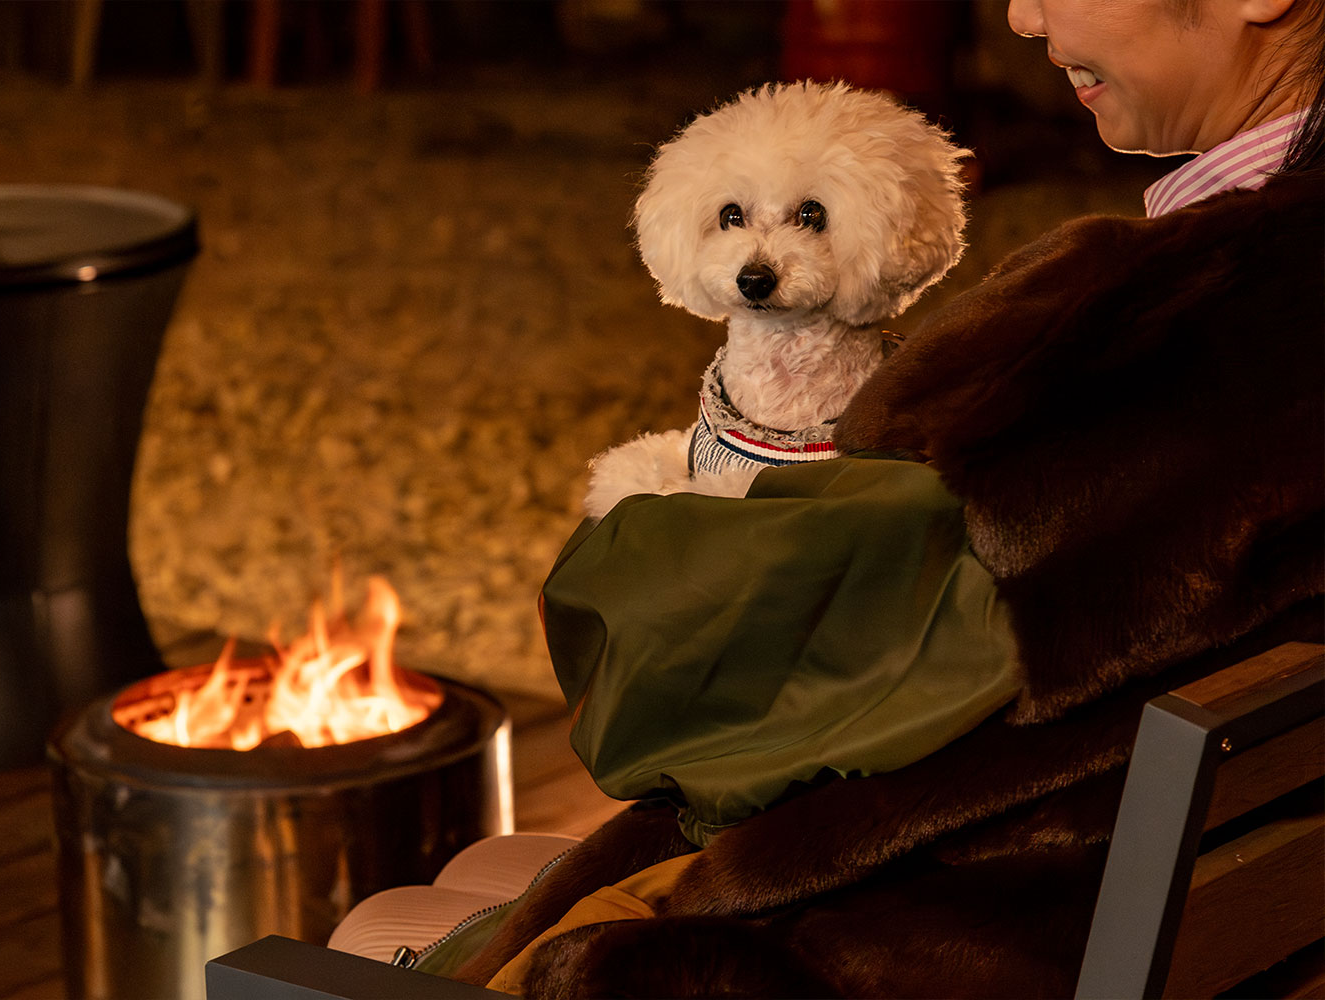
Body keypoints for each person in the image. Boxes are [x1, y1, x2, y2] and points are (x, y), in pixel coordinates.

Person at [338, 0, 1325, 994]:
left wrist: (643, 541)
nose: (1023, 16)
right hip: (1225, 921)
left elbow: (684, 691)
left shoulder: (1152, 344)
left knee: (383, 923)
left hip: (949, 932)